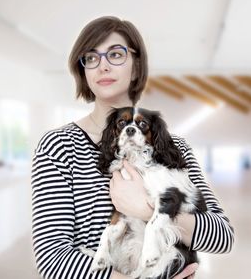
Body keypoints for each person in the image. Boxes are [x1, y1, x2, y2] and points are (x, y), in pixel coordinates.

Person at [31, 16, 234, 279]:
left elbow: (222, 236)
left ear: (136, 68)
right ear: (83, 71)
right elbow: (52, 259)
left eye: (115, 54)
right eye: (91, 58)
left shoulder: (176, 148)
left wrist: (149, 210)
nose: (102, 66)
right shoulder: (58, 147)